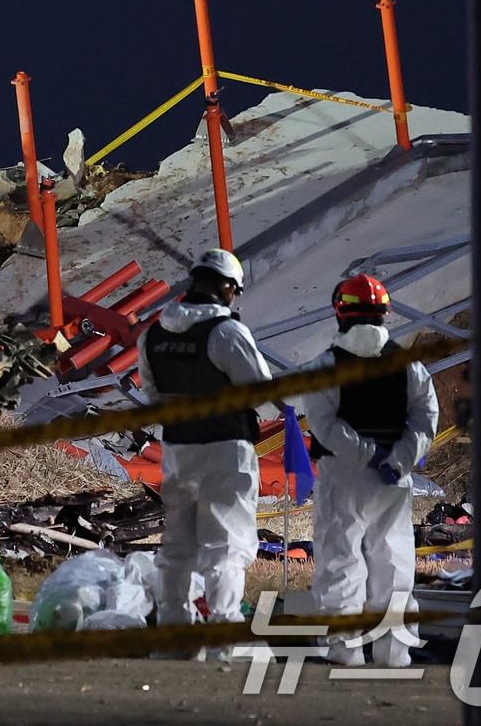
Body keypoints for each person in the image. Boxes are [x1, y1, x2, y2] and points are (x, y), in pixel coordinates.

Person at [295, 273, 438, 666]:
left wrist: (365, 453)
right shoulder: (409, 367)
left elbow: (325, 425)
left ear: (340, 312)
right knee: (393, 564)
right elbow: (426, 418)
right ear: (385, 313)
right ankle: (394, 656)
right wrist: (397, 459)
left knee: (342, 560)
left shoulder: (325, 366)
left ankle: (346, 653)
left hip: (343, 474)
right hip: (393, 478)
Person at [136, 248, 271, 656]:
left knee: (177, 545)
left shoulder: (154, 335)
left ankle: (175, 634)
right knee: (225, 547)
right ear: (228, 288)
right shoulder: (226, 332)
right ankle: (223, 640)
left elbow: (153, 394)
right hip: (225, 449)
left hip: (178, 448)